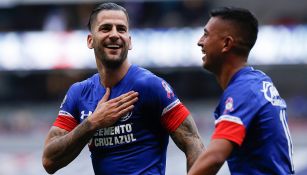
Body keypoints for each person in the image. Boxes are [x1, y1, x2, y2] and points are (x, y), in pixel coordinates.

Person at [42, 2, 204, 175]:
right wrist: (92, 123)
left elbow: (194, 142)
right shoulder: (79, 93)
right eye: (105, 28)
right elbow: (49, 161)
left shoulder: (150, 86)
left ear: (129, 41)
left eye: (121, 29)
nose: (114, 35)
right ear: (90, 40)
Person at [188, 7, 295, 175]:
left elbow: (215, 157)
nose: (200, 41)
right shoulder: (256, 82)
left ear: (226, 44)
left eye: (206, 34)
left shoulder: (243, 91)